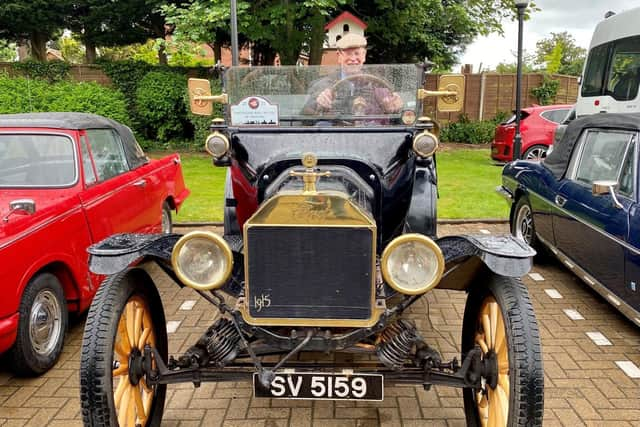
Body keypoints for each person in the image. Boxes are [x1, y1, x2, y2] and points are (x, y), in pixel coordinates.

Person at [303, 33, 403, 116]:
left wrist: (394, 109)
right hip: (336, 135)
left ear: (364, 55)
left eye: (357, 53)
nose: (353, 59)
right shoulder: (323, 85)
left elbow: (400, 118)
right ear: (339, 56)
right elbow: (304, 117)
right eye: (348, 54)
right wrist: (319, 106)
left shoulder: (379, 84)